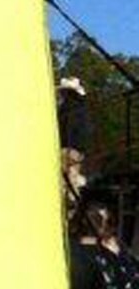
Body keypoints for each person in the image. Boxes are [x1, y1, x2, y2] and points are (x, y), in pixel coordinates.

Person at [58, 77, 91, 208]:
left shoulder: (68, 108)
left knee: (67, 181)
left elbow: (66, 128)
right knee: (73, 178)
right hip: (78, 148)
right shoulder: (81, 108)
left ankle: (69, 206)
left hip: (69, 147)